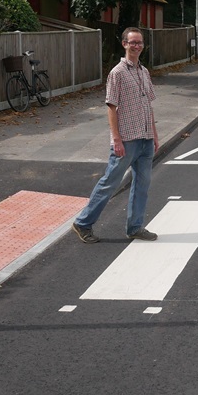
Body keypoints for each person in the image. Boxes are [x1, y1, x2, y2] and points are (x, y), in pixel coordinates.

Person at [71, 27, 159, 243]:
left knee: (142, 186)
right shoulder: (117, 73)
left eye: (139, 42)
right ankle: (83, 223)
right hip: (127, 140)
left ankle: (135, 227)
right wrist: (116, 139)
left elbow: (149, 105)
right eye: (132, 42)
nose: (137, 46)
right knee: (109, 183)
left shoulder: (144, 72)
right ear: (124, 44)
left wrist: (155, 135)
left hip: (146, 138)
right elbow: (111, 107)